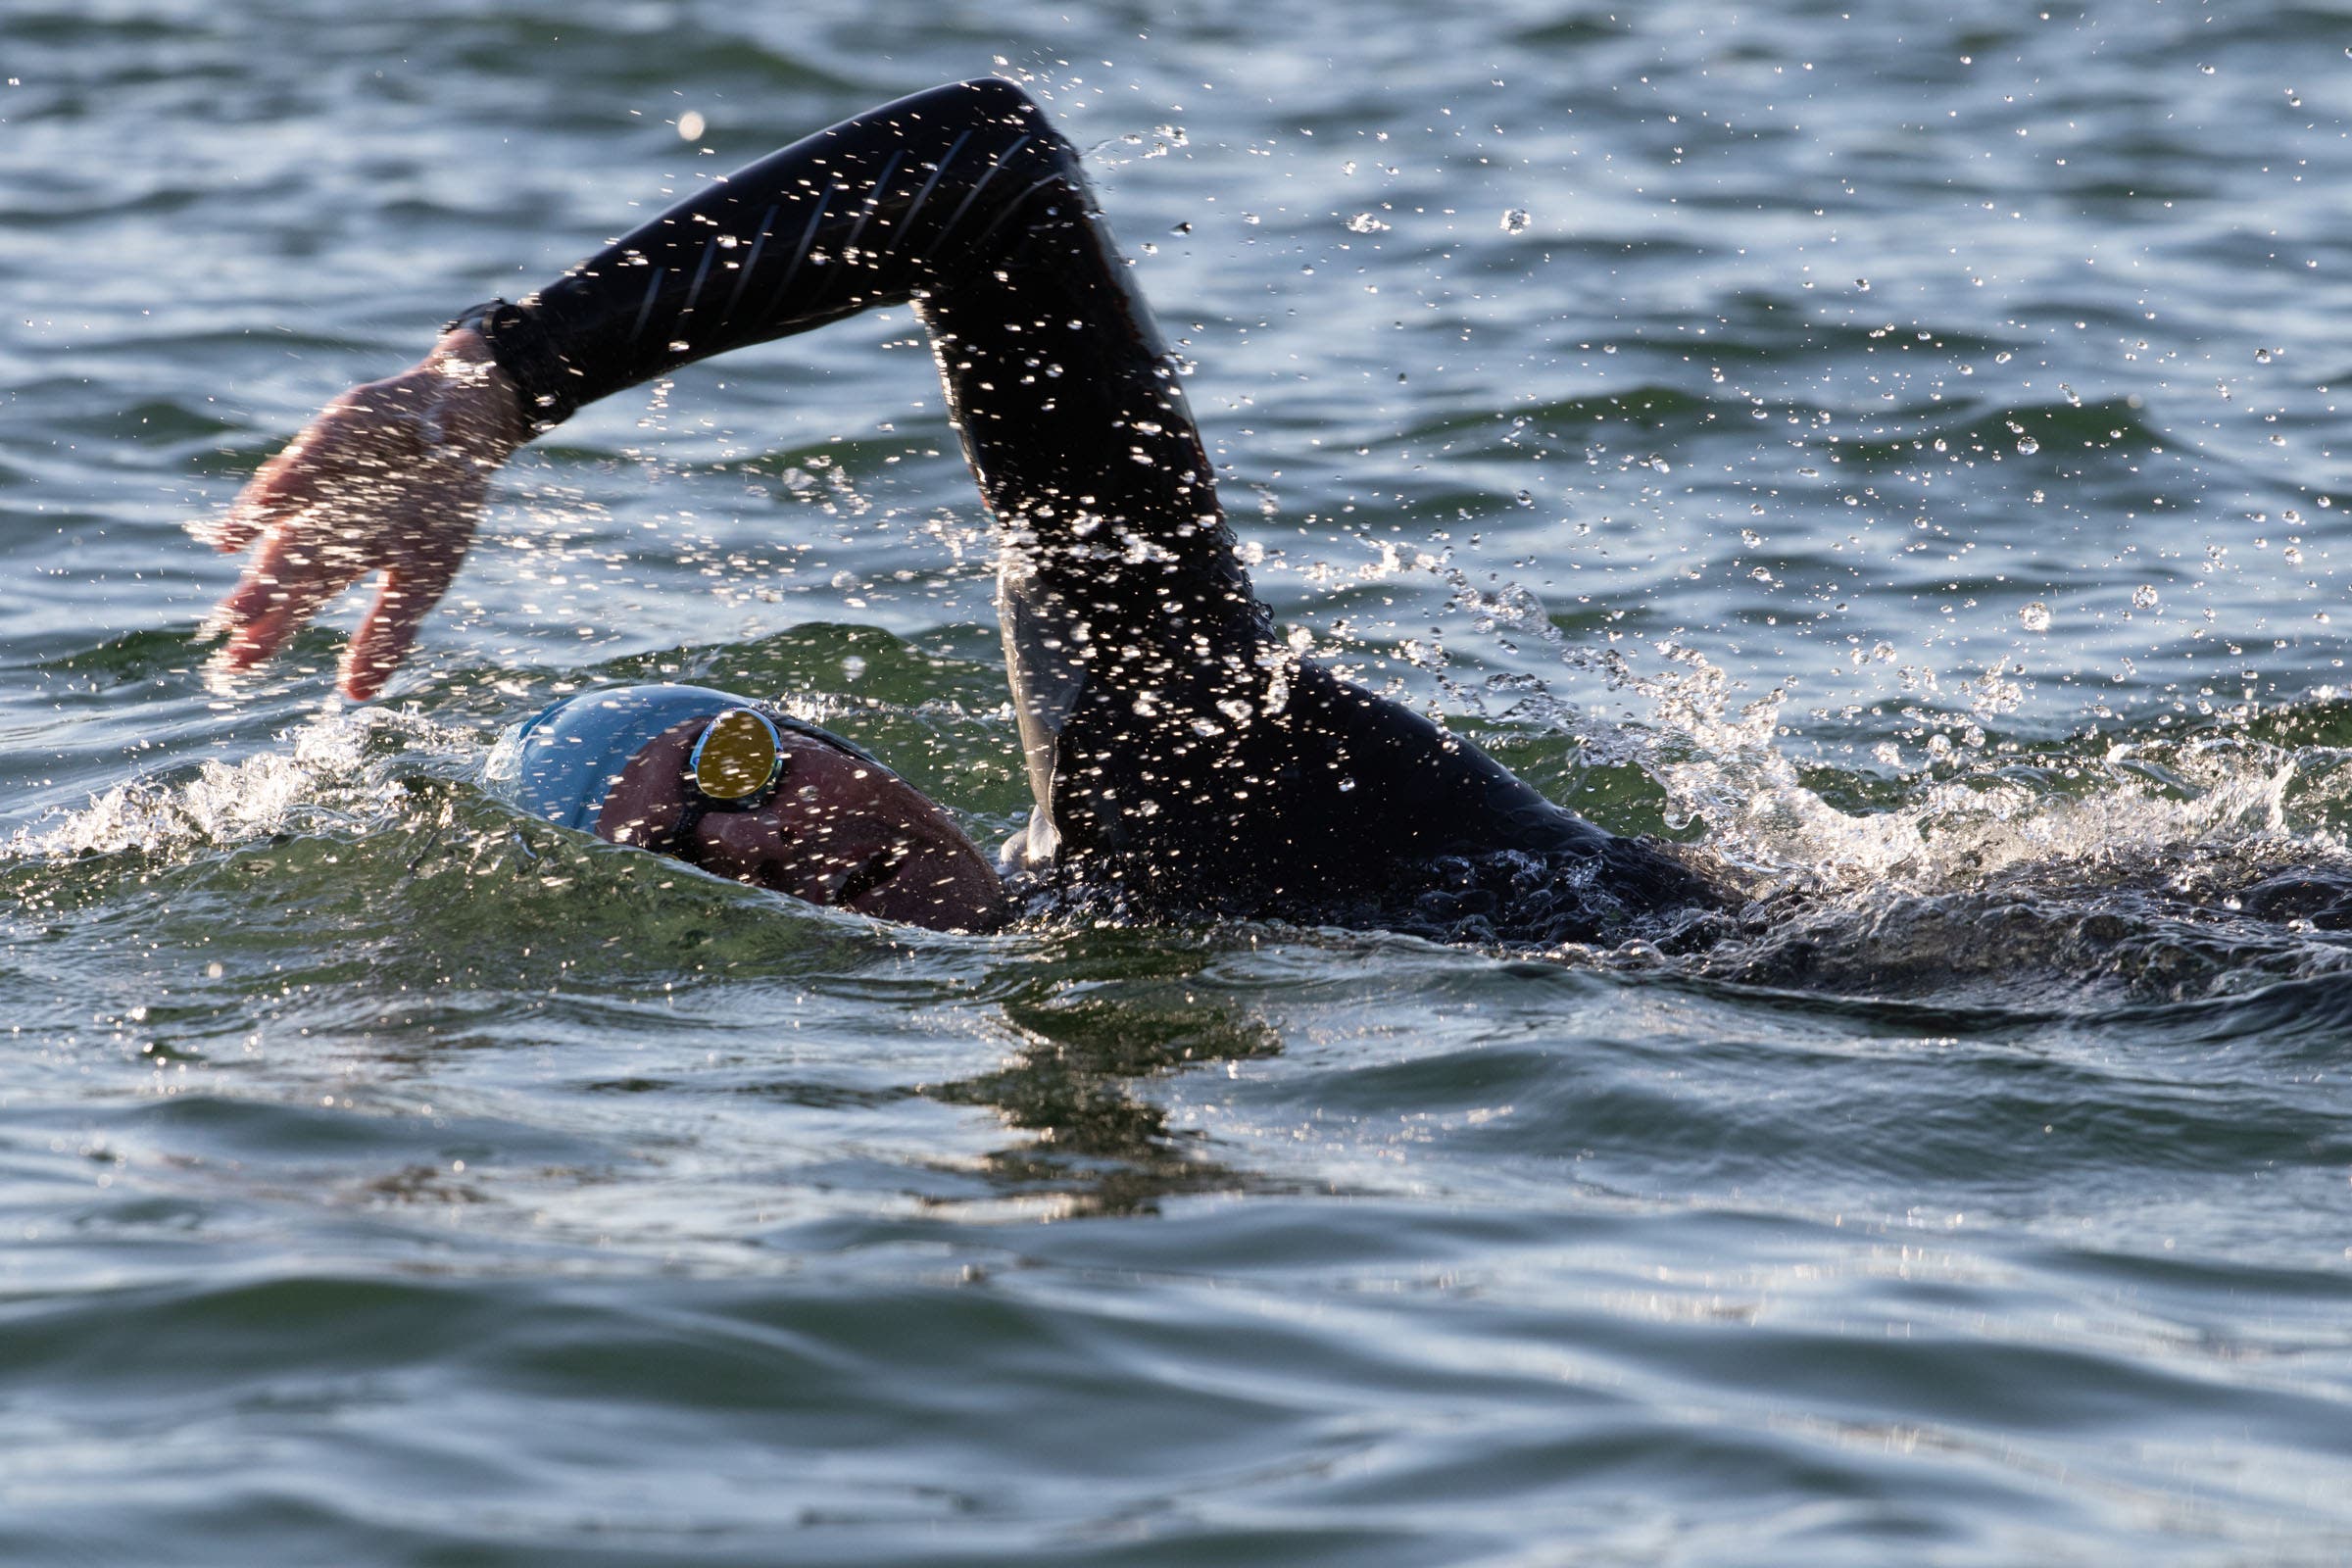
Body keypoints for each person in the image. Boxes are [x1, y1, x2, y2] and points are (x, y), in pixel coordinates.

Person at [207, 78, 1713, 940]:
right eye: (681, 855)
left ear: (830, 744)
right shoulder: (1085, 945)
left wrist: (506, 377)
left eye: (735, 761)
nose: (755, 838)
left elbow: (986, 175)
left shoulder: (1160, 768)